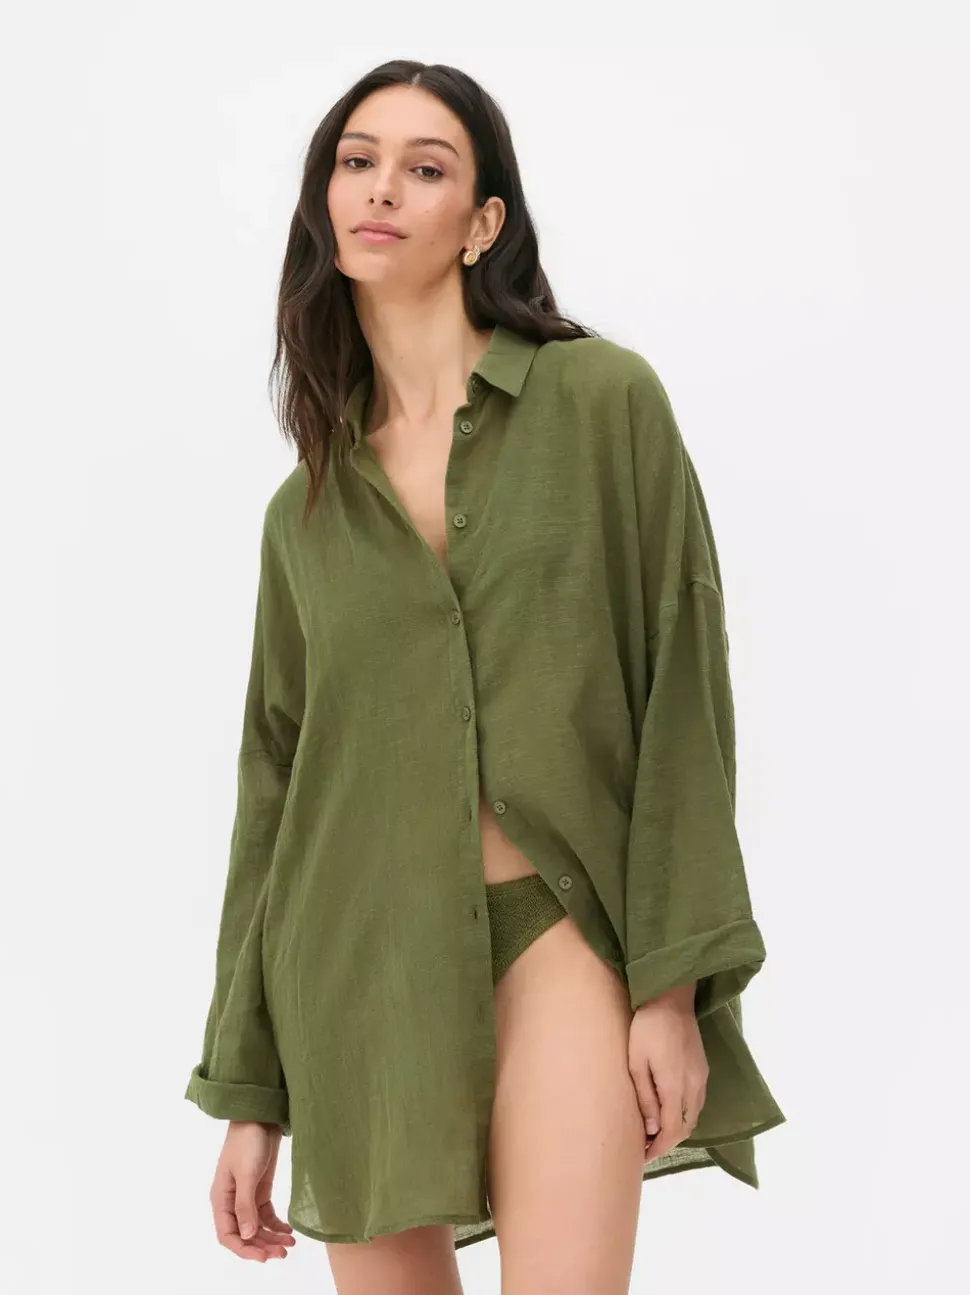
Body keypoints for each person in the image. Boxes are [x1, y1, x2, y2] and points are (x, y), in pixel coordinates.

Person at [184, 58, 786, 1295]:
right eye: (357, 161)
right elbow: (274, 793)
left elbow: (682, 693)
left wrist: (670, 985)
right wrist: (250, 1089)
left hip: (557, 935)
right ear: (323, 202)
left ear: (483, 221)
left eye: (426, 167)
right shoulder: (304, 512)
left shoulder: (602, 402)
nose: (381, 188)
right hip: (356, 969)